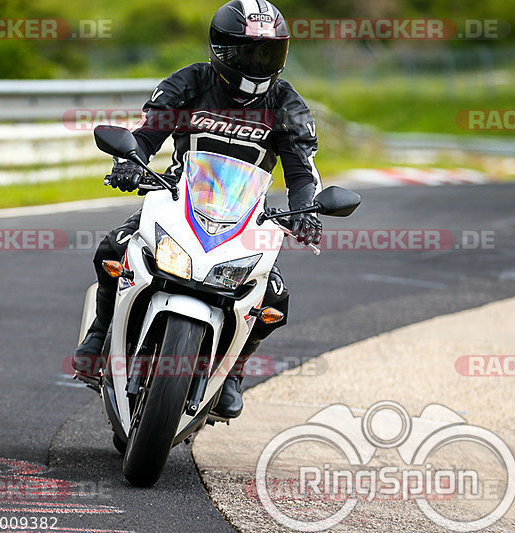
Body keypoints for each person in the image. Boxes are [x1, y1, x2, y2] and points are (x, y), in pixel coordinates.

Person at [73, 0, 322, 418]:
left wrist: (306, 212)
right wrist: (127, 163)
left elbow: (301, 174)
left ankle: (233, 371)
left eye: (269, 53)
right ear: (222, 50)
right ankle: (100, 336)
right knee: (111, 251)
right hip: (178, 199)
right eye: (248, 52)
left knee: (275, 301)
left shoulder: (287, 105)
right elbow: (147, 136)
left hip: (246, 218)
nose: (258, 63)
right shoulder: (188, 83)